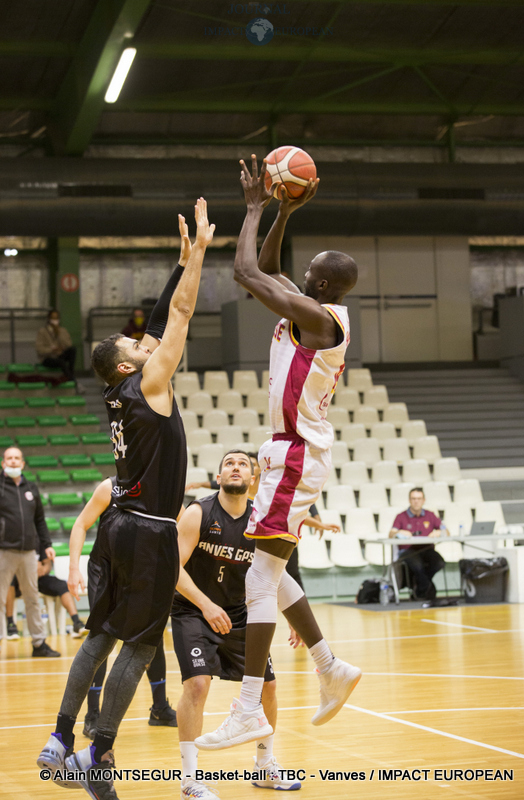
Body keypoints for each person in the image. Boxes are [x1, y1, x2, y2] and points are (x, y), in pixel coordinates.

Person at [37, 198, 215, 800]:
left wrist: (180, 262)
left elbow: (161, 321)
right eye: (133, 344)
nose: (145, 342)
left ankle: (61, 737)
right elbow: (180, 314)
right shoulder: (152, 383)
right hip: (149, 533)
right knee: (140, 645)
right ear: (124, 364)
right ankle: (98, 749)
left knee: (99, 636)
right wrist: (201, 255)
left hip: (118, 526)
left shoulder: (120, 392)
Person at [196, 156, 361, 752]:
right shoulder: (313, 307)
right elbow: (267, 267)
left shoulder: (316, 318)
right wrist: (283, 213)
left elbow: (245, 271)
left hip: (295, 453)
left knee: (257, 577)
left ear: (322, 286)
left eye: (309, 271)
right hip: (289, 451)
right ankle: (330, 666)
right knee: (269, 569)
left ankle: (248, 708)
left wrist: (254, 207)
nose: (300, 271)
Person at [174, 449, 300, 800]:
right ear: (218, 477)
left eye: (243, 464)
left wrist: (294, 616)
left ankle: (264, 766)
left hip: (241, 613)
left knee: (268, 688)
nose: (235, 467)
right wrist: (206, 605)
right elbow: (171, 568)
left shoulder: (261, 522)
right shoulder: (198, 513)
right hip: (193, 610)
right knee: (197, 685)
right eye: (229, 463)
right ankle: (190, 781)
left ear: (253, 479)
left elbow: (274, 574)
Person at [68, 478, 178, 738]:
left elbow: (184, 531)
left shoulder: (163, 489)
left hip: (144, 573)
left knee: (151, 638)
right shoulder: (110, 487)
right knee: (102, 639)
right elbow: (81, 524)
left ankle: (159, 708)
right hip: (105, 572)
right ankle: (92, 715)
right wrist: (73, 568)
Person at [0, 446, 60, 657]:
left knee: (32, 598)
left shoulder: (31, 488)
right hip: (4, 552)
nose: (13, 461)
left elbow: (39, 520)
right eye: (9, 458)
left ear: (23, 463)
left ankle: (39, 644)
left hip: (28, 553)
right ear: (3, 463)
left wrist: (47, 544)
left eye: (17, 458)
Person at [389, 487, 449, 603]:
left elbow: (446, 531)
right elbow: (391, 534)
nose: (416, 501)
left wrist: (439, 532)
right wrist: (399, 532)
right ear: (409, 500)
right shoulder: (401, 516)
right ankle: (422, 591)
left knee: (439, 562)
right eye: (413, 498)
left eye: (419, 498)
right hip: (407, 551)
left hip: (426, 549)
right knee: (418, 566)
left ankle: (419, 585)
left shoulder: (430, 515)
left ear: (423, 500)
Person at [8, 550, 87, 638]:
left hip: (39, 578)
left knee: (62, 585)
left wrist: (42, 570)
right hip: (18, 578)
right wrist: (29, 569)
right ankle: (10, 624)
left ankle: (77, 622)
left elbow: (47, 564)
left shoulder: (40, 543)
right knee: (9, 582)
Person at [36, 310, 77, 381]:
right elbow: (39, 349)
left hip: (59, 355)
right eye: (53, 318)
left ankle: (71, 373)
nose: (55, 320)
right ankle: (71, 379)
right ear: (49, 319)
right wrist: (51, 350)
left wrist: (59, 334)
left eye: (56, 318)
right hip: (48, 358)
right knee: (61, 362)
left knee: (73, 350)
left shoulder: (63, 330)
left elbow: (69, 344)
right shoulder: (42, 332)